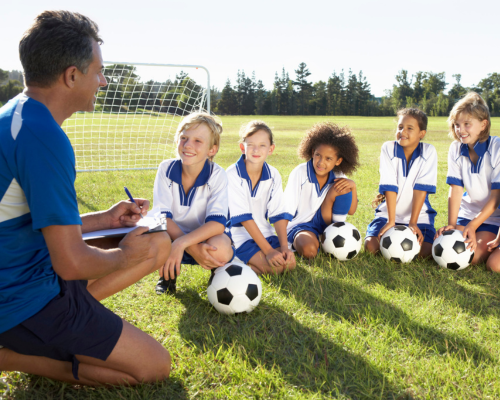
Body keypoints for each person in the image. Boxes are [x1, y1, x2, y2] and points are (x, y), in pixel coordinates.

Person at [0, 11, 172, 386]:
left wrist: (105, 219)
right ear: (71, 75)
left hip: (25, 269)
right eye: (98, 71)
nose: (103, 81)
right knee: (154, 367)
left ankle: (71, 333)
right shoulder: (42, 136)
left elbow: (26, 221)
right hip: (20, 298)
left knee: (158, 242)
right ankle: (12, 355)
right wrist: (126, 254)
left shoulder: (17, 116)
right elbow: (71, 263)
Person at [152, 112, 235, 294]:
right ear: (177, 141)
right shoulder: (166, 169)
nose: (188, 145)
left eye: (198, 141)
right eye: (184, 138)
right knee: (155, 239)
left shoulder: (217, 174)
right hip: (171, 233)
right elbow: (161, 219)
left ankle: (218, 274)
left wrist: (182, 244)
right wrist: (186, 245)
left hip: (205, 235)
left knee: (220, 249)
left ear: (212, 150)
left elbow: (217, 224)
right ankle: (167, 277)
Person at [435, 92, 500, 266]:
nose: (460, 130)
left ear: (483, 124)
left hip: (493, 219)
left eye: (467, 124)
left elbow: (496, 197)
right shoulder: (456, 148)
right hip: (467, 216)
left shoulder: (496, 147)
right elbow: (455, 189)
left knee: (472, 257)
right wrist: (452, 224)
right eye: (456, 125)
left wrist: (473, 225)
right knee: (446, 247)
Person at [365, 108, 437, 258]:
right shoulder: (389, 148)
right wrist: (391, 221)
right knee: (371, 247)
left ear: (421, 134)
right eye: (400, 127)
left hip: (420, 217)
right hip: (388, 215)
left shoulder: (429, 151)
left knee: (425, 253)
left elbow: (421, 188)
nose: (402, 131)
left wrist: (413, 223)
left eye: (409, 128)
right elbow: (390, 186)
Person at [226, 120, 296, 274]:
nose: (256, 149)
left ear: (271, 149)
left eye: (262, 145)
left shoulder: (273, 174)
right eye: (250, 144)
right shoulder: (232, 175)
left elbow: (278, 214)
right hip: (239, 237)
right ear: (242, 147)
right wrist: (269, 251)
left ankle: (249, 265)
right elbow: (244, 218)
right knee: (275, 268)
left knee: (289, 264)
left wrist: (284, 247)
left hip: (266, 233)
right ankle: (233, 263)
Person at [283, 122, 359, 259]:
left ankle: (334, 233)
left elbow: (352, 211)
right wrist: (282, 242)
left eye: (328, 158)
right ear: (312, 152)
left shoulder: (339, 175)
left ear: (338, 161)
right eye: (318, 155)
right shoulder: (300, 173)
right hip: (302, 225)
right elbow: (286, 210)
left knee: (343, 186)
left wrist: (353, 186)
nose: (321, 162)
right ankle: (319, 241)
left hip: (328, 223)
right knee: (309, 251)